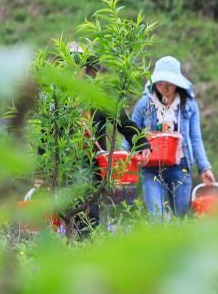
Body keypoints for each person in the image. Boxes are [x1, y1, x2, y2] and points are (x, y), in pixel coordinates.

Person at [36, 43, 150, 233]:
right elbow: (45, 136)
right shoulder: (56, 97)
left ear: (87, 69)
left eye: (78, 65)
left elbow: (123, 122)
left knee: (89, 221)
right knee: (64, 221)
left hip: (91, 170)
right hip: (64, 169)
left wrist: (142, 142)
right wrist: (40, 175)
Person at [124, 56, 216, 218]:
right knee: (156, 217)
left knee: (179, 217)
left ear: (177, 84)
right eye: (160, 83)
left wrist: (204, 167)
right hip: (151, 166)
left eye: (169, 84)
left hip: (180, 166)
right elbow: (130, 131)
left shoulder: (188, 106)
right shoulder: (145, 104)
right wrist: (123, 159)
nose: (164, 88)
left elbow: (195, 137)